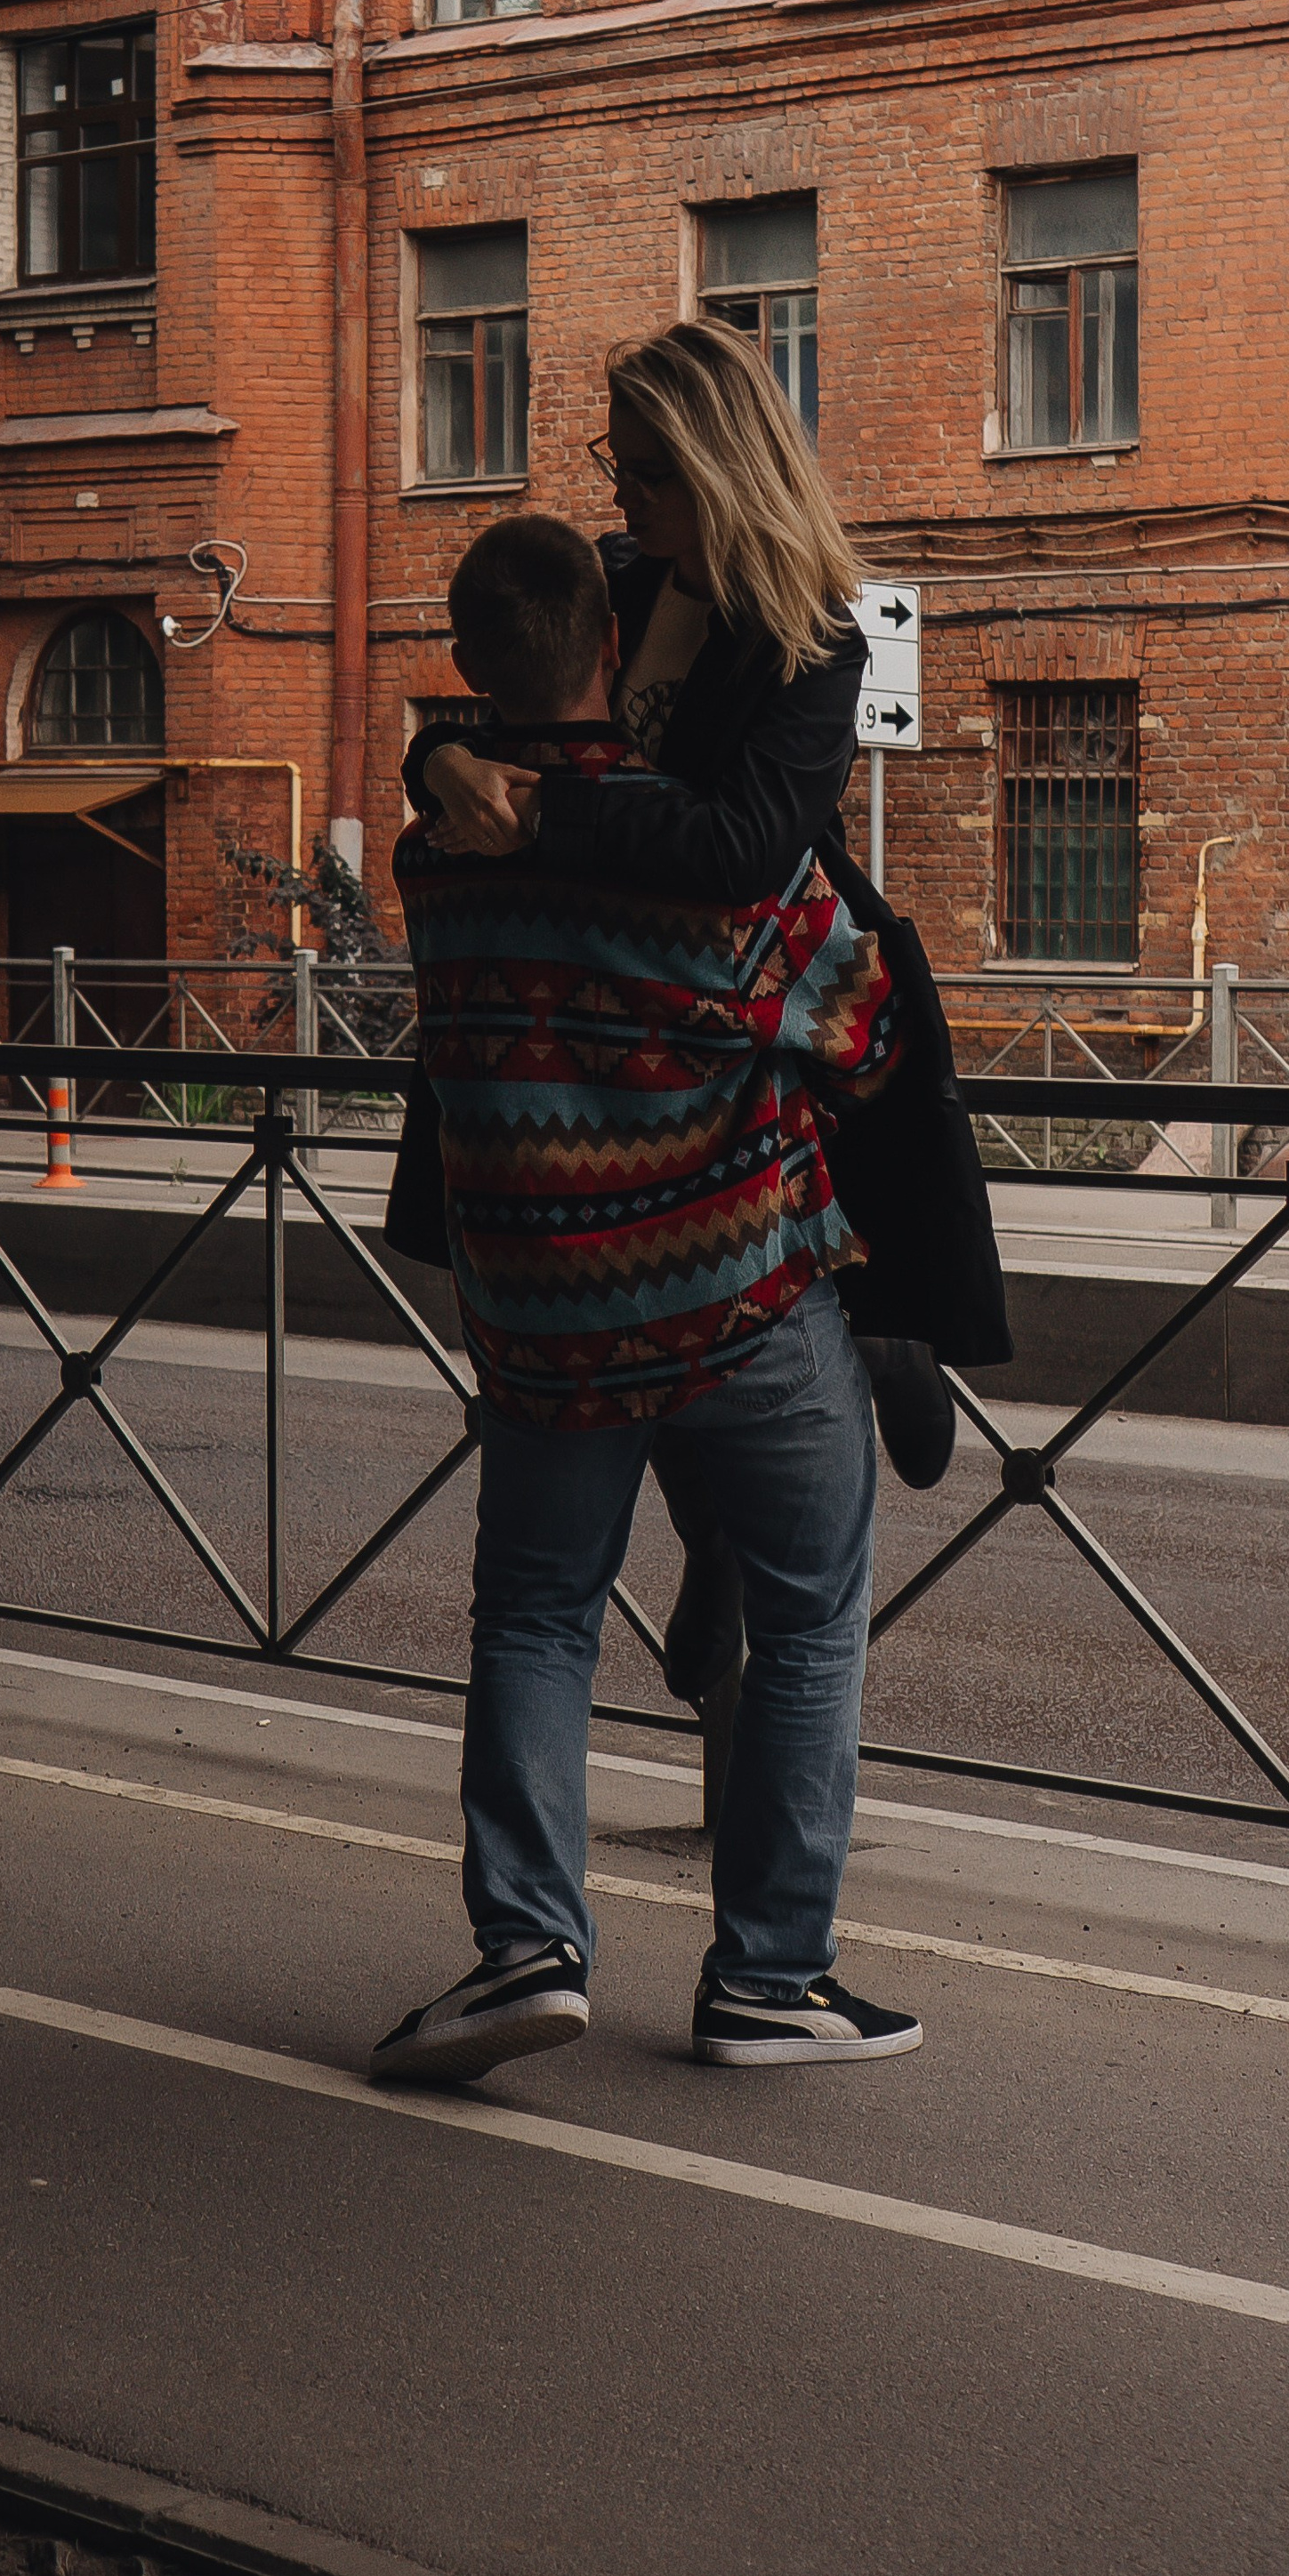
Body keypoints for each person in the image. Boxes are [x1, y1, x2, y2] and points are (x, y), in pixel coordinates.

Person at [371, 514, 924, 2086]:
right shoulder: (701, 854)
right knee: (809, 1620)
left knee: (535, 1616)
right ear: (614, 647)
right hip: (738, 1301)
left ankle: (527, 1949)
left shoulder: (436, 857)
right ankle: (770, 1979)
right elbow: (869, 1031)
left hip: (541, 1325)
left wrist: (434, 760)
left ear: (469, 665)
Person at [392, 318, 1011, 1692]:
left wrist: (546, 817)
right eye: (615, 461)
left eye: (647, 470)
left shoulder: (813, 634)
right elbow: (506, 699)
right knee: (651, 1277)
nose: (618, 492)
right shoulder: (616, 574)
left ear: (722, 468)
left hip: (760, 966)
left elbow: (743, 847)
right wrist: (438, 760)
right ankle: (729, 1526)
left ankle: (886, 1330)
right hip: (613, 989)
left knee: (755, 1235)